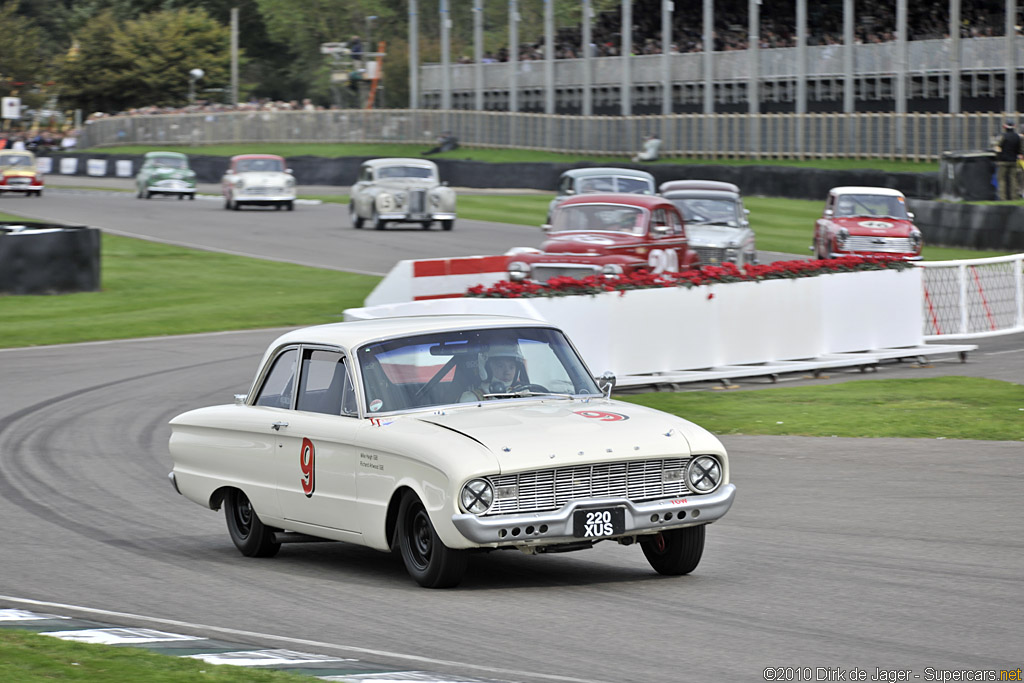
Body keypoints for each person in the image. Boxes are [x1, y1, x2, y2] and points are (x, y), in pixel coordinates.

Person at [459, 341, 526, 402]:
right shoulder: (471, 399)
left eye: (511, 367)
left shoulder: (523, 395)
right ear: (486, 369)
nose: (507, 372)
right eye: (500, 366)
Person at [994, 120, 1022, 200]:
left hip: (1003, 161)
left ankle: (1003, 198)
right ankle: (1014, 197)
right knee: (1013, 179)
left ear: (1005, 127)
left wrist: (997, 157)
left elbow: (997, 147)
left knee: (1002, 179)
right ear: (1014, 126)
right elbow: (1020, 150)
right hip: (1013, 161)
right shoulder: (1017, 136)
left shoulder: (1003, 136)